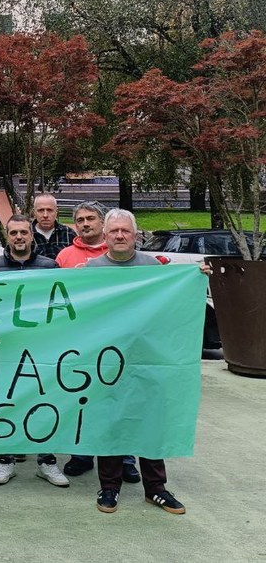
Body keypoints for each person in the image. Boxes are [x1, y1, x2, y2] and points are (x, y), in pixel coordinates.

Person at [87, 208, 188, 515]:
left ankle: (155, 488)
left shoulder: (153, 267)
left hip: (148, 360)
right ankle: (109, 487)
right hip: (108, 362)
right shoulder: (90, 269)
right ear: (104, 237)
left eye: (125, 231)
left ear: (135, 235)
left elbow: (174, 303)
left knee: (150, 423)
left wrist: (196, 278)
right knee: (112, 422)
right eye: (114, 231)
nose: (119, 235)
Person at [0, 214, 69, 490]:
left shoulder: (49, 266)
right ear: (6, 236)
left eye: (23, 232)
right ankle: (6, 458)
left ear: (31, 236)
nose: (19, 237)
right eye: (13, 233)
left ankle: (46, 460)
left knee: (44, 402)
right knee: (5, 402)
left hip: (41, 347)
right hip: (6, 349)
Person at [56, 201, 139, 483]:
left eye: (91, 218)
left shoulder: (134, 260)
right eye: (80, 219)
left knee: (123, 403)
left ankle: (126, 458)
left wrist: (194, 274)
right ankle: (83, 454)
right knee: (87, 401)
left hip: (128, 346)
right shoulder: (69, 259)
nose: (85, 223)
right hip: (87, 344)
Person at [30, 193, 75, 261]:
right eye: (41, 210)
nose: (45, 215)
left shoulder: (69, 233)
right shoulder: (26, 234)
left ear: (56, 211)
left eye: (50, 210)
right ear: (34, 212)